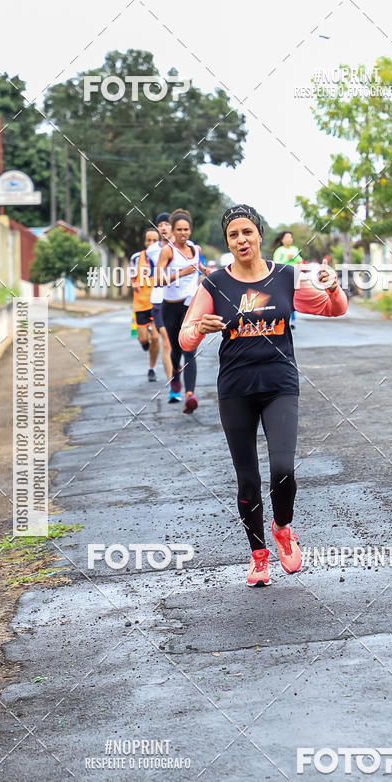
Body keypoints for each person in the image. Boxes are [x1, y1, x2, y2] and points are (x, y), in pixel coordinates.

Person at [179, 203, 348, 587]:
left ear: (259, 235)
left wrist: (334, 287)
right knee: (247, 479)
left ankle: (283, 528)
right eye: (233, 235)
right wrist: (199, 329)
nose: (241, 240)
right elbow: (185, 338)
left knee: (283, 469)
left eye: (247, 232)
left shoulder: (287, 278)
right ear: (228, 242)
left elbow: (335, 310)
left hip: (279, 385)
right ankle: (258, 556)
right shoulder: (215, 285)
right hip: (236, 389)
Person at [156, 208, 206, 414]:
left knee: (190, 349)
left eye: (186, 229)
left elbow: (200, 268)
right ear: (173, 231)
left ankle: (190, 395)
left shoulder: (196, 249)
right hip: (171, 306)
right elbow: (158, 280)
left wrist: (207, 272)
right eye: (179, 229)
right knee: (176, 351)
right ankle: (175, 377)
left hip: (191, 305)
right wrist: (182, 272)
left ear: (190, 230)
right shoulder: (168, 251)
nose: (183, 233)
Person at [146, 213, 176, 394]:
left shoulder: (183, 248)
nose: (164, 227)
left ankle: (177, 370)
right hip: (158, 300)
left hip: (178, 301)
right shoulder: (152, 251)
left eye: (167, 224)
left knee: (177, 344)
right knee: (166, 342)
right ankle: (173, 384)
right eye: (160, 225)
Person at [130, 228, 160, 380]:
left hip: (157, 303)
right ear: (144, 242)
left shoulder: (163, 256)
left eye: (155, 240)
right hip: (141, 303)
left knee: (155, 337)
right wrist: (134, 283)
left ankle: (151, 368)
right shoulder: (136, 257)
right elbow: (131, 277)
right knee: (143, 339)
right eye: (149, 240)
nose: (151, 243)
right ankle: (144, 343)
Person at [273, 230, 302, 328]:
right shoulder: (279, 251)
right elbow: (276, 263)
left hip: (294, 276)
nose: (290, 239)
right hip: (283, 277)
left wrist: (295, 259)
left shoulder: (295, 249)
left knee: (293, 298)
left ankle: (292, 320)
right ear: (282, 240)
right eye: (287, 237)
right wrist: (287, 259)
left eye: (291, 237)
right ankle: (283, 318)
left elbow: (299, 260)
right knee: (285, 298)